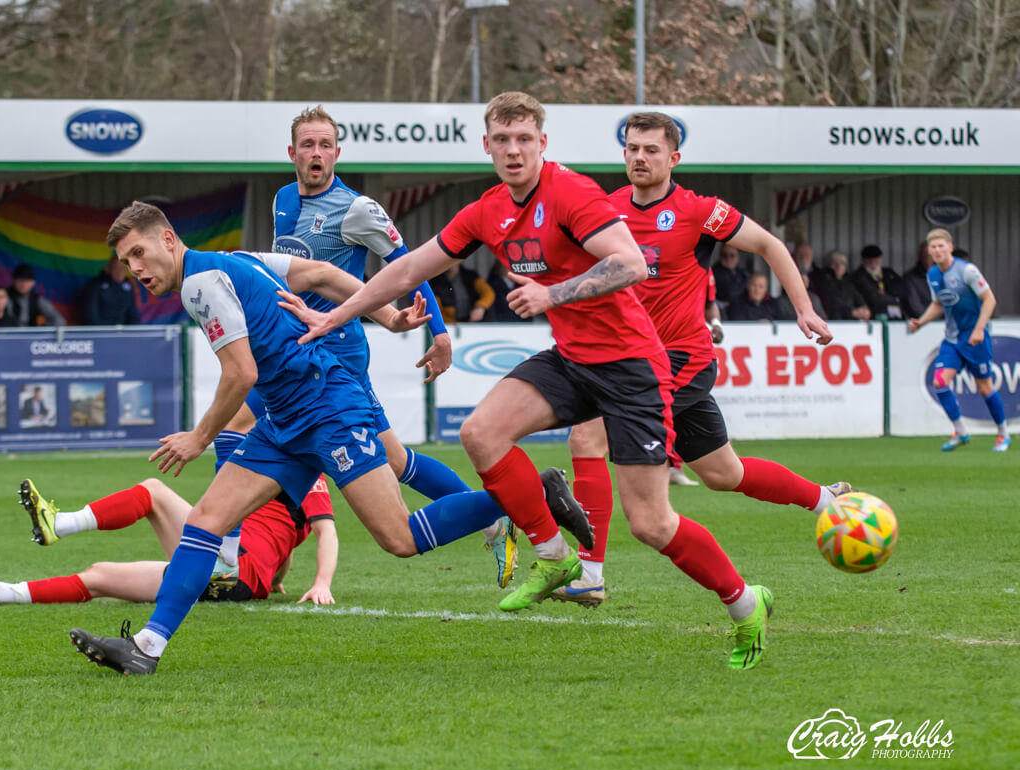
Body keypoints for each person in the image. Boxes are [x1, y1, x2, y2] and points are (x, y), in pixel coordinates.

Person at [283, 93, 772, 670]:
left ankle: (745, 604)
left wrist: (551, 293)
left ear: (543, 143)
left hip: (632, 368)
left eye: (524, 139)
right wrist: (336, 314)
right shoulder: (488, 209)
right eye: (502, 139)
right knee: (482, 434)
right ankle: (554, 553)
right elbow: (409, 268)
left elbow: (631, 263)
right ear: (487, 145)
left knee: (652, 524)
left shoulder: (572, 193)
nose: (513, 150)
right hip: (571, 359)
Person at [67, 201, 569, 675]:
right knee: (205, 521)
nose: (134, 266)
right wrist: (388, 316)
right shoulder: (233, 259)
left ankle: (535, 492)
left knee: (399, 538)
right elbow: (322, 276)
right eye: (125, 259)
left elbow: (240, 373)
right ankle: (146, 649)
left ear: (170, 240)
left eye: (139, 252)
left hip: (327, 407)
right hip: (286, 419)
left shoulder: (200, 284)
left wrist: (200, 437)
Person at [553, 111, 845, 616]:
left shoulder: (700, 211)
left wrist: (803, 308)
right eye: (632, 149)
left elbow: (770, 245)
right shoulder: (608, 209)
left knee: (586, 437)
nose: (640, 158)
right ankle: (825, 500)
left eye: (651, 149)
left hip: (680, 357)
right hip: (627, 360)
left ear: (674, 158)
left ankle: (589, 575)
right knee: (721, 473)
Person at [267, 105, 515, 581]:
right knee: (397, 459)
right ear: (292, 152)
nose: (316, 154)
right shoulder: (281, 199)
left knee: (246, 425)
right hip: (295, 349)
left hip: (335, 357)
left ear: (337, 153)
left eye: (324, 146)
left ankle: (229, 550)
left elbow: (411, 267)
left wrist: (438, 332)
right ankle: (493, 518)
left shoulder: (358, 209)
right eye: (307, 145)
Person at [0, 469, 338, 607]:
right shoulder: (276, 473)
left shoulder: (306, 471)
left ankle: (60, 524)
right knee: (100, 574)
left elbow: (327, 532)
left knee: (154, 491)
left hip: (234, 566)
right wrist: (277, 581)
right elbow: (285, 545)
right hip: (235, 568)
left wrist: (322, 583)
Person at [908, 228, 1010, 452]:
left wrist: (979, 329)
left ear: (950, 248)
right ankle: (960, 431)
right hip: (952, 339)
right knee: (939, 382)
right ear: (929, 251)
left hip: (975, 339)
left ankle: (1003, 433)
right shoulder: (932, 274)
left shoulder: (967, 271)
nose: (937, 250)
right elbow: (938, 304)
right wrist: (921, 322)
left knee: (985, 388)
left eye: (941, 246)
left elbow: (989, 299)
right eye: (933, 247)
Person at [81, 256, 141, 325]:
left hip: (122, 333)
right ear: (108, 269)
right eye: (117, 268)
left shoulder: (128, 288)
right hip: (100, 332)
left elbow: (133, 316)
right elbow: (91, 317)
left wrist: (133, 333)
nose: (120, 272)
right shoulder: (95, 286)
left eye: (123, 269)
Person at [851, 244, 903, 319]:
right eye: (869, 259)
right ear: (863, 260)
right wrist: (894, 299)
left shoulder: (889, 272)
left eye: (876, 258)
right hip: (875, 317)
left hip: (896, 316)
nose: (873, 262)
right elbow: (873, 298)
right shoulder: (859, 276)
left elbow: (901, 290)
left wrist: (886, 296)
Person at [430, 263, 495, 322]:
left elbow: (488, 292)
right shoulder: (435, 283)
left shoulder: (470, 276)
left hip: (474, 323)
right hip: (450, 326)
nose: (450, 263)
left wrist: (481, 307)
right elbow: (436, 310)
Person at [817, 250, 871, 321]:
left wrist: (865, 310)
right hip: (834, 322)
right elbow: (832, 305)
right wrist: (851, 312)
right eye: (836, 264)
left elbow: (859, 300)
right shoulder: (823, 282)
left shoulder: (848, 283)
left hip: (852, 323)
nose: (839, 266)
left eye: (843, 264)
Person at [899, 240, 935, 319]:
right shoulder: (910, 278)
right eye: (925, 254)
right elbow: (915, 308)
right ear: (920, 256)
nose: (928, 257)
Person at [710, 243, 748, 308]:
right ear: (720, 256)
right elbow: (729, 293)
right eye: (724, 255)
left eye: (732, 255)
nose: (728, 259)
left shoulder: (742, 273)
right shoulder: (712, 273)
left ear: (738, 257)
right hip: (719, 309)